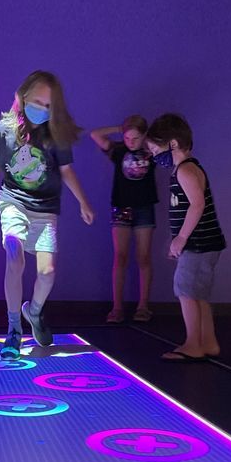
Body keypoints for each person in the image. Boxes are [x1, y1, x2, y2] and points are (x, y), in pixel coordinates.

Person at [0, 70, 95, 360]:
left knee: (47, 272)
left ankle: (34, 311)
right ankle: (14, 330)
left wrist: (83, 202)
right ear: (23, 96)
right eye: (38, 102)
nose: (42, 109)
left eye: (48, 105)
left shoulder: (55, 135)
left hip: (46, 210)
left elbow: (67, 172)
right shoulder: (3, 130)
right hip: (13, 202)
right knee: (14, 254)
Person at [145, 113, 226, 362]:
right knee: (198, 293)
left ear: (172, 144)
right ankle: (208, 342)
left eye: (154, 148)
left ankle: (193, 344)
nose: (153, 155)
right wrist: (177, 240)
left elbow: (197, 205)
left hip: (199, 244)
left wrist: (180, 239)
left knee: (186, 292)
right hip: (202, 244)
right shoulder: (184, 169)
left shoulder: (186, 170)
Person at [90, 115, 158, 323]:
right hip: (121, 206)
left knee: (144, 257)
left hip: (144, 206)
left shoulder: (151, 151)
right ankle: (117, 307)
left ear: (144, 136)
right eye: (127, 138)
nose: (131, 143)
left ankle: (143, 306)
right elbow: (95, 134)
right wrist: (119, 128)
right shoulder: (118, 150)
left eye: (135, 138)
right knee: (120, 257)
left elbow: (165, 143)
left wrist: (145, 138)